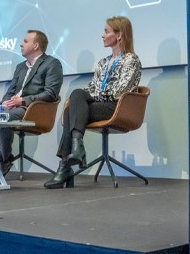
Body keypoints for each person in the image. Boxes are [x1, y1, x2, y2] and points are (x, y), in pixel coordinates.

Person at [44, 16, 141, 189]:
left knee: (72, 108)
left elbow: (120, 92)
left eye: (106, 31)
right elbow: (91, 87)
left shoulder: (131, 60)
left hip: (116, 107)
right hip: (99, 105)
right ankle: (75, 149)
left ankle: (65, 166)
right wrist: (91, 95)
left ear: (119, 35)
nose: (102, 35)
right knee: (77, 96)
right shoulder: (103, 62)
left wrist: (93, 95)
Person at [0, 30, 63, 178]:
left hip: (31, 109)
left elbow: (51, 93)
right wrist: (4, 103)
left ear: (36, 45)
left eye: (25, 41)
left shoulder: (52, 63)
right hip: (12, 108)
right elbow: (10, 90)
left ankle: (3, 161)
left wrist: (23, 100)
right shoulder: (20, 67)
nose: (21, 44)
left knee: (2, 118)